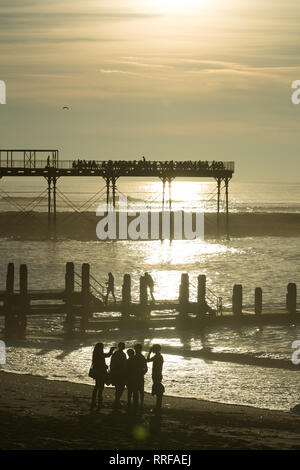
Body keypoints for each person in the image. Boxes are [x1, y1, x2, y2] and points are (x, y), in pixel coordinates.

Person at [90, 343, 116, 411]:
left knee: (97, 387)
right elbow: (106, 356)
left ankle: (94, 402)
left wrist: (111, 351)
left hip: (97, 373)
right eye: (102, 347)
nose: (102, 348)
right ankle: (99, 403)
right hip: (100, 373)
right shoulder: (99, 354)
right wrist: (111, 351)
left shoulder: (96, 353)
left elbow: (106, 356)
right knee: (100, 388)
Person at [147, 344, 164, 413]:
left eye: (153, 349)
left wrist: (149, 352)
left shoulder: (157, 356)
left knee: (157, 390)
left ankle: (158, 407)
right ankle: (158, 406)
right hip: (158, 374)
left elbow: (147, 360)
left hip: (156, 374)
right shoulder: (159, 356)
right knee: (158, 389)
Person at [110, 342, 127, 409]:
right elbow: (124, 364)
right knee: (120, 387)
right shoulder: (122, 354)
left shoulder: (116, 353)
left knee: (118, 388)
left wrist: (112, 372)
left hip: (117, 373)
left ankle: (117, 401)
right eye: (123, 346)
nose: (124, 347)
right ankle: (117, 401)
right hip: (119, 373)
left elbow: (112, 363)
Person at [132, 344, 148, 410]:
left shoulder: (134, 357)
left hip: (135, 376)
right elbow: (146, 368)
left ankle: (136, 404)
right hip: (140, 376)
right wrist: (143, 373)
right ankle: (140, 404)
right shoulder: (142, 357)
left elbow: (131, 368)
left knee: (135, 391)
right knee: (141, 391)